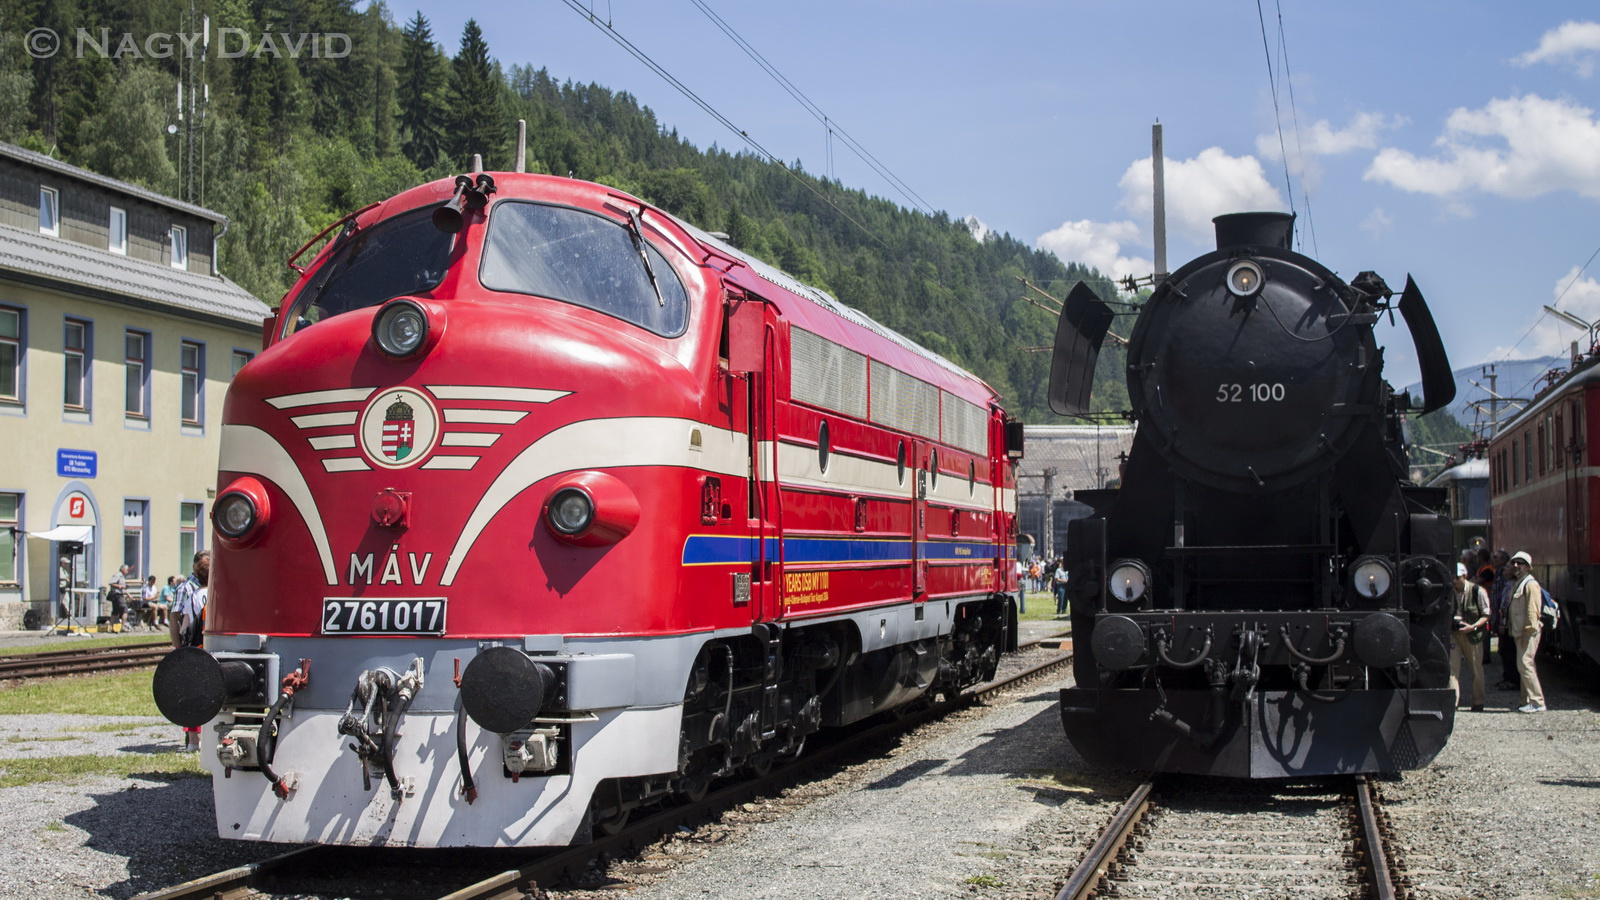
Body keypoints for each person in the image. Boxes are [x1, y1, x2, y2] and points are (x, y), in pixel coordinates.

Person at [1507, 551, 1546, 712]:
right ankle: (1526, 701)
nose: (1516, 566)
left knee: (1525, 664)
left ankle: (1538, 702)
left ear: (1528, 566)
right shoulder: (1519, 583)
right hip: (1519, 631)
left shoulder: (1530, 585)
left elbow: (1533, 611)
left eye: (1520, 563)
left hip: (1527, 632)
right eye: (1514, 562)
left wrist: (1528, 631)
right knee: (1523, 665)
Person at [1448, 563, 1489, 711]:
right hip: (1454, 633)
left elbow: (1486, 614)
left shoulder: (1478, 591)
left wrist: (1473, 627)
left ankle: (1478, 702)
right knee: (1452, 669)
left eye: (1457, 578)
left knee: (1476, 669)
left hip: (1472, 634)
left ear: (1464, 577)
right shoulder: (1449, 591)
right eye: (1452, 578)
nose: (1454, 581)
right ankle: (1453, 703)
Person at [1489, 549, 1519, 692]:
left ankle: (1512, 680)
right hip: (1500, 620)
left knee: (1509, 651)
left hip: (1505, 622)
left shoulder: (1508, 582)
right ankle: (1507, 677)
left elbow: (1503, 602)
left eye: (1495, 558)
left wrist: (1500, 620)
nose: (1492, 560)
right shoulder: (1500, 576)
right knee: (1504, 651)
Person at [107, 564, 130, 630]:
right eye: (127, 570)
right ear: (123, 569)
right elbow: (111, 583)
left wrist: (128, 594)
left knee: (115, 611)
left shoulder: (122, 576)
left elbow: (123, 588)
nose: (127, 572)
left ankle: (110, 627)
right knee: (125, 610)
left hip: (119, 594)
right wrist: (119, 586)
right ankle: (122, 627)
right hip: (117, 595)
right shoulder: (118, 575)